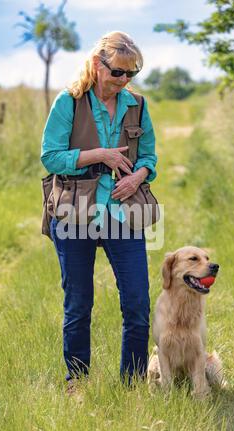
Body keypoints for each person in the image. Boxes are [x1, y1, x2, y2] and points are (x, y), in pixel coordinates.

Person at [41, 31, 158, 388]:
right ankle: (77, 384)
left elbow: (150, 156)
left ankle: (133, 386)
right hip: (75, 213)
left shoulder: (137, 104)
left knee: (137, 304)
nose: (123, 81)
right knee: (79, 305)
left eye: (131, 74)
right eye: (118, 72)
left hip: (125, 213)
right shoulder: (69, 102)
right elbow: (50, 156)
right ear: (97, 64)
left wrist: (138, 176)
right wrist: (99, 155)